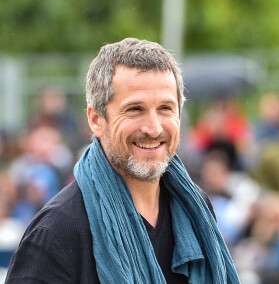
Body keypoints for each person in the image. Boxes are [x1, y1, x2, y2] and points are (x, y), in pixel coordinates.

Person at [5, 38, 240, 283]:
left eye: (165, 108)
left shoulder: (196, 208)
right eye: (135, 109)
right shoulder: (58, 231)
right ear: (96, 120)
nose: (153, 127)